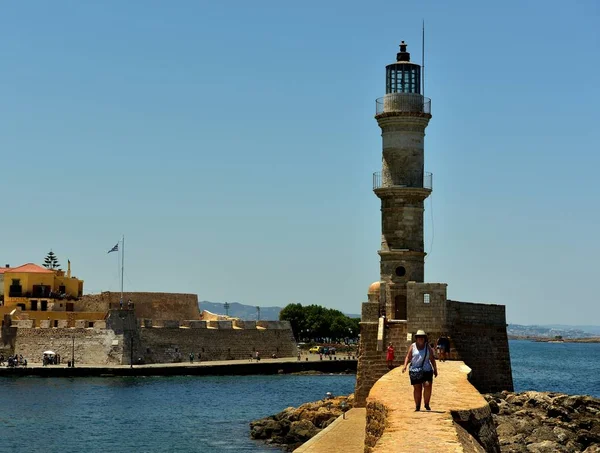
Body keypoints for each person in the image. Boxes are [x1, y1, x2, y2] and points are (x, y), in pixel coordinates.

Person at [402, 329, 438, 411]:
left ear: (425, 338)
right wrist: (405, 366)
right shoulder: (413, 346)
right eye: (419, 337)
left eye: (422, 337)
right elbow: (408, 356)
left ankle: (426, 404)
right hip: (415, 370)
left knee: (428, 385)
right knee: (417, 388)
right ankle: (417, 406)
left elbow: (432, 359)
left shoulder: (428, 347)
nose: (420, 338)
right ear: (416, 338)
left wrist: (435, 369)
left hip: (427, 369)